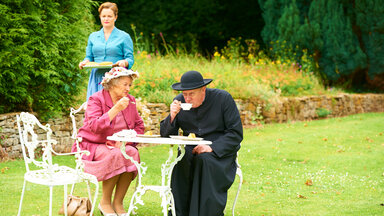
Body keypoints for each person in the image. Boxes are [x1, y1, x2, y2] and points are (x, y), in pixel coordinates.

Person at [160, 70, 243, 216]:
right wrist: (172, 116)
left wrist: (212, 147)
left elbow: (235, 133)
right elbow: (166, 134)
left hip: (218, 153)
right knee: (181, 162)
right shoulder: (179, 101)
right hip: (189, 151)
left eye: (191, 94)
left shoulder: (223, 99)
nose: (187, 98)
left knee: (204, 160)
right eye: (184, 94)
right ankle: (178, 213)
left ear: (203, 90)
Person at [72, 67, 144, 216]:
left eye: (130, 85)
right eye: (125, 84)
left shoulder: (130, 100)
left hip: (120, 145)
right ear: (112, 84)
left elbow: (139, 126)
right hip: (93, 144)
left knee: (131, 153)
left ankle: (118, 203)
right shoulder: (96, 99)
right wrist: (116, 109)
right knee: (116, 155)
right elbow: (94, 126)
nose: (128, 88)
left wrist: (126, 141)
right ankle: (105, 203)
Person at [79, 2, 135, 100]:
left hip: (116, 78)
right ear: (100, 17)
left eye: (109, 16)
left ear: (115, 17)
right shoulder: (93, 36)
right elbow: (89, 57)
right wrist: (85, 62)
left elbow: (130, 59)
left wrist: (124, 62)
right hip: (97, 77)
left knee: (113, 110)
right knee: (96, 108)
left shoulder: (124, 37)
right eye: (103, 16)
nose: (106, 19)